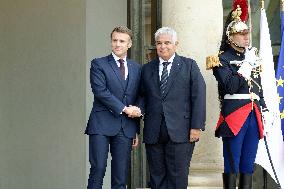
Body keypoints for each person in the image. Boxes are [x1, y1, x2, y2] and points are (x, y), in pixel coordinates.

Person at [206, 2, 267, 188]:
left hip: (253, 114)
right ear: (230, 37)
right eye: (241, 34)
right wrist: (247, 66)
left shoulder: (251, 57)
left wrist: (264, 108)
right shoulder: (220, 59)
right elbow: (231, 86)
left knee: (248, 164)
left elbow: (258, 87)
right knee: (232, 163)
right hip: (234, 115)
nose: (246, 37)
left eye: (247, 33)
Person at [140, 26, 206, 189]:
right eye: (159, 43)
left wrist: (196, 126)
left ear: (176, 44)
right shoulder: (147, 69)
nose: (163, 46)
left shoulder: (189, 65)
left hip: (181, 131)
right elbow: (141, 96)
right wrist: (137, 111)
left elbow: (198, 96)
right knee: (157, 177)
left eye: (167, 42)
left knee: (178, 177)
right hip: (154, 131)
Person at [85, 26, 142, 189]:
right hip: (101, 124)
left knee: (120, 175)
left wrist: (135, 127)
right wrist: (125, 109)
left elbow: (139, 96)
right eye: (114, 40)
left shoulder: (136, 68)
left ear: (129, 44)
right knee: (98, 168)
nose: (117, 44)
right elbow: (100, 92)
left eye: (122, 41)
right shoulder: (98, 64)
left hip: (126, 127)